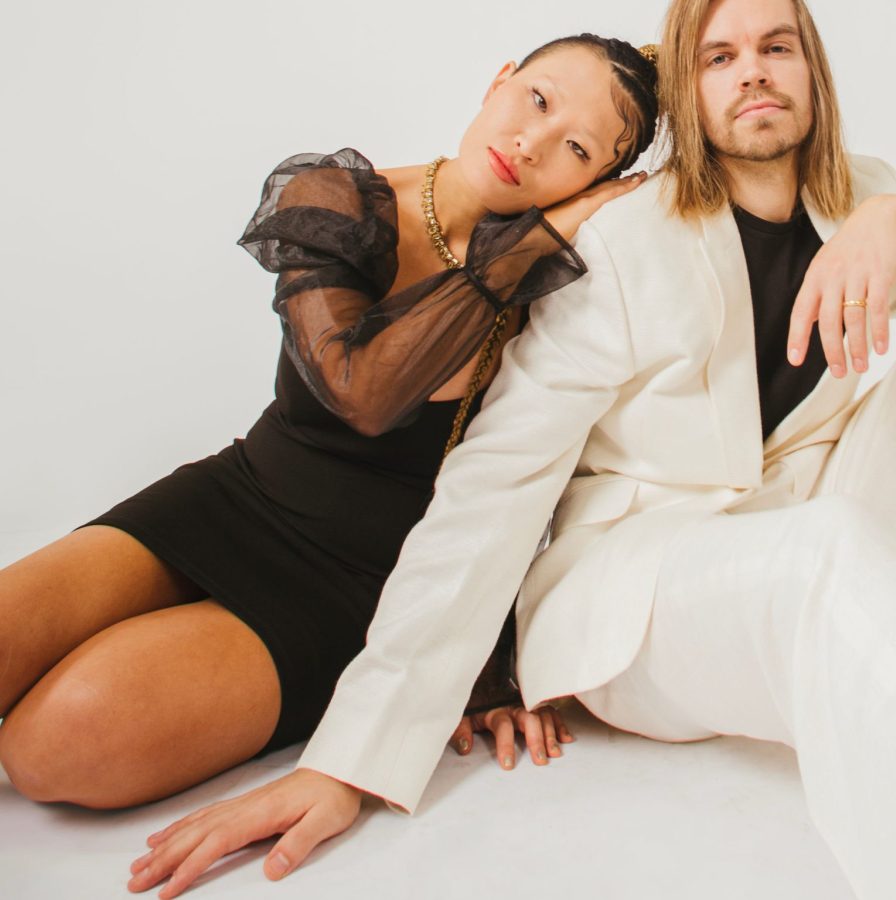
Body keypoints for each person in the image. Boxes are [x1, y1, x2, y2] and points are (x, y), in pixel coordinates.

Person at [128, 0, 896, 897]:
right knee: (823, 548)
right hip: (642, 597)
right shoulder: (619, 245)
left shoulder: (865, 195)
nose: (753, 72)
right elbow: (490, 491)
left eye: (776, 46)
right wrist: (350, 761)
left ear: (814, 72)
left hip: (810, 533)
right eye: (719, 57)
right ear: (690, 93)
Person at [0, 35, 658, 812]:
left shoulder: (566, 279)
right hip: (239, 496)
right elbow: (360, 388)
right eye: (537, 100)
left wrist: (478, 662)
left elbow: (552, 485)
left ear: (597, 183)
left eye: (577, 148)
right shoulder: (338, 198)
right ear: (499, 80)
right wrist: (523, 253)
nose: (531, 142)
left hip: (360, 588)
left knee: (50, 750)